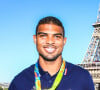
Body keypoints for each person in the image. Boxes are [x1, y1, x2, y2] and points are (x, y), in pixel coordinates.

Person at [9, 16, 94, 90]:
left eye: (57, 37)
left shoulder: (83, 77)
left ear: (64, 41)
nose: (50, 41)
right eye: (43, 36)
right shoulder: (19, 82)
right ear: (35, 39)